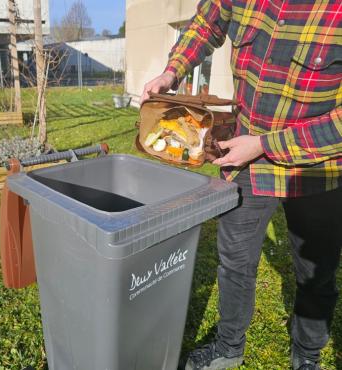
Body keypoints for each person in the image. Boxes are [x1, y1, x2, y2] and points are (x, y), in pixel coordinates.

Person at [141, 1, 342, 369]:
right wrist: (171, 73)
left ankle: (307, 354)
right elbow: (206, 24)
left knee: (316, 269)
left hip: (317, 166)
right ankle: (229, 345)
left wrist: (267, 144)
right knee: (235, 261)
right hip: (245, 156)